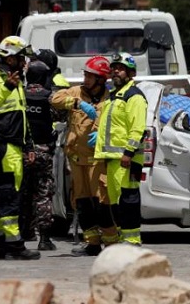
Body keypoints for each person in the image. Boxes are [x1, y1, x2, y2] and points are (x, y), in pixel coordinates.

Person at [0, 36, 40, 260]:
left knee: (0, 199)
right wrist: (6, 87)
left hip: (14, 145)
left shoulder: (15, 81)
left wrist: (28, 145)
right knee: (9, 196)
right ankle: (15, 247)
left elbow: (21, 117)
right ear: (11, 58)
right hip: (3, 146)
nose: (25, 62)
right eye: (22, 57)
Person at [50, 55, 113, 256]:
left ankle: (111, 243)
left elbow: (115, 123)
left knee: (101, 202)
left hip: (97, 161)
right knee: (82, 203)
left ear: (101, 79)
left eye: (90, 76)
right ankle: (92, 242)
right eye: (85, 75)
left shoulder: (110, 99)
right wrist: (77, 103)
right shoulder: (77, 92)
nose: (85, 79)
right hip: (77, 160)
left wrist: (102, 132)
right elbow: (55, 99)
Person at [94, 52, 148, 246]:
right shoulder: (114, 96)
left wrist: (128, 153)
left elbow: (138, 128)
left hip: (126, 159)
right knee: (117, 202)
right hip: (113, 158)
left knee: (128, 200)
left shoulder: (134, 97)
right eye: (114, 68)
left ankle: (132, 240)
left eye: (121, 68)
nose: (116, 71)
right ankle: (122, 239)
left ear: (131, 73)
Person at [20, 60, 59, 251]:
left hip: (22, 153)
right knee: (43, 193)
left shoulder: (19, 95)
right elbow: (61, 116)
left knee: (23, 192)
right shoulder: (49, 97)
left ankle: (23, 232)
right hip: (43, 151)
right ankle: (44, 239)